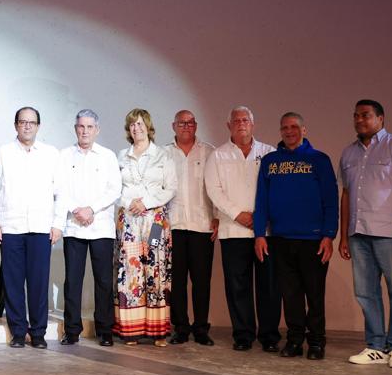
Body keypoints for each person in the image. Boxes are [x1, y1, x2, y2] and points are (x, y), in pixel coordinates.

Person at [338, 99, 392, 370]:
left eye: (366, 115)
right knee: (365, 293)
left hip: (391, 234)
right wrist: (343, 236)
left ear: (381, 118)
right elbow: (347, 196)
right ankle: (375, 346)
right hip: (358, 233)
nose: (360, 120)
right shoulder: (348, 154)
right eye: (356, 116)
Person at [253, 112, 338, 360]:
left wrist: (328, 235)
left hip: (313, 240)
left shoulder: (319, 160)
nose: (289, 132)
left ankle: (317, 342)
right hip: (280, 239)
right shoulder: (270, 161)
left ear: (304, 129)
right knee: (290, 296)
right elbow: (262, 200)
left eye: (294, 127)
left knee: (314, 294)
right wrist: (260, 234)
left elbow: (330, 201)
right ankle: (294, 340)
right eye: (284, 128)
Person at [204, 106, 280, 352]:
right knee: (238, 285)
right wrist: (239, 214)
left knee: (268, 285)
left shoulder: (269, 152)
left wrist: (260, 218)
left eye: (245, 119)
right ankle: (244, 334)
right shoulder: (218, 155)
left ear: (253, 124)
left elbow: (276, 189)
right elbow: (214, 190)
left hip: (265, 231)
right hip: (233, 230)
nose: (241, 123)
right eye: (236, 120)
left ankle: (269, 335)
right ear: (229, 126)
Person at [0, 106, 57, 349]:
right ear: (15, 125)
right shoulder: (4, 152)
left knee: (38, 282)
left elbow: (61, 192)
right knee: (13, 282)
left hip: (40, 227)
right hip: (11, 226)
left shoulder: (50, 153)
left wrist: (58, 224)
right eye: (22, 122)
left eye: (32, 122)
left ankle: (38, 333)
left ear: (38, 126)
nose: (27, 126)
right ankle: (18, 331)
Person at [55, 109, 120, 347]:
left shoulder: (108, 156)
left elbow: (114, 190)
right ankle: (72, 330)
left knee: (103, 280)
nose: (85, 131)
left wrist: (91, 209)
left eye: (89, 127)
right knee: (73, 280)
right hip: (74, 226)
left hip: (100, 226)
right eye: (81, 127)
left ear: (97, 130)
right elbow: (59, 188)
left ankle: (105, 330)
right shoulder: (64, 155)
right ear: (75, 129)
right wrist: (76, 209)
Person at [113, 107, 177, 346]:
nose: (136, 128)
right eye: (132, 125)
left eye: (140, 124)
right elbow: (114, 188)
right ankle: (131, 330)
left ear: (148, 127)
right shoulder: (121, 156)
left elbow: (170, 187)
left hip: (155, 222)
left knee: (156, 270)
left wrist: (146, 203)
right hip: (129, 221)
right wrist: (131, 203)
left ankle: (158, 331)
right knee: (131, 273)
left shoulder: (163, 155)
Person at [165, 109, 218, 346]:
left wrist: (217, 217)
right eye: (181, 123)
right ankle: (181, 327)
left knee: (201, 281)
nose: (186, 126)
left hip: (202, 225)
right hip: (173, 226)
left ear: (195, 126)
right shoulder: (164, 154)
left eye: (190, 123)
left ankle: (201, 328)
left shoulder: (209, 152)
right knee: (176, 282)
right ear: (173, 126)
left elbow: (216, 188)